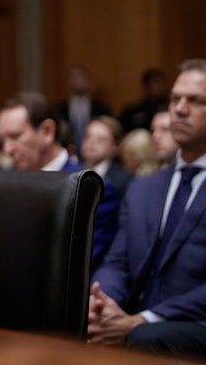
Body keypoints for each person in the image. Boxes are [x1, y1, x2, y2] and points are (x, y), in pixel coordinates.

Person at [88, 58, 206, 360]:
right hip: (135, 320)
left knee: (143, 338)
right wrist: (103, 303)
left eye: (195, 101)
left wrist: (142, 320)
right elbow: (117, 261)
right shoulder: (145, 187)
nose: (179, 109)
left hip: (192, 322)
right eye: (175, 99)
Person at [0, 92, 120, 267]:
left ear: (47, 131)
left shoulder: (90, 188)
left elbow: (80, 263)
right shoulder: (3, 184)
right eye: (3, 140)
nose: (7, 149)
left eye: (16, 136)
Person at [56, 64, 112, 161]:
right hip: (68, 154)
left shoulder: (101, 107)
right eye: (73, 77)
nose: (77, 80)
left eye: (80, 76)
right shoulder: (60, 108)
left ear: (88, 80)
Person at [118, 68, 170, 133]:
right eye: (156, 82)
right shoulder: (133, 111)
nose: (159, 87)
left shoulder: (171, 108)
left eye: (161, 82)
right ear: (146, 86)